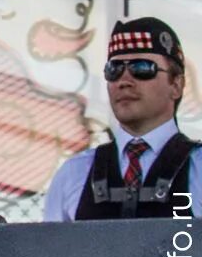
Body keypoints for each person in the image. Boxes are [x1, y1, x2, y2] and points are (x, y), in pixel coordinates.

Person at [42, 17, 195, 220]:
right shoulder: (74, 174)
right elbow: (50, 242)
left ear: (176, 85)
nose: (124, 81)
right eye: (113, 70)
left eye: (142, 68)